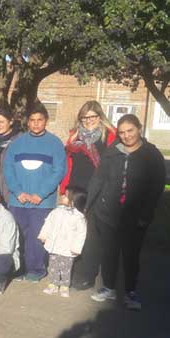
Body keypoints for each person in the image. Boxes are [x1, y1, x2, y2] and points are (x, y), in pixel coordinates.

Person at [86, 114, 165, 310]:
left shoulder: (151, 154)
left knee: (131, 255)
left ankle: (130, 291)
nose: (126, 136)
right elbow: (99, 178)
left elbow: (156, 187)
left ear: (139, 128)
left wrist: (146, 215)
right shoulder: (112, 152)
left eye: (130, 131)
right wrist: (91, 204)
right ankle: (108, 287)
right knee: (109, 253)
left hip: (135, 215)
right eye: (121, 132)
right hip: (108, 213)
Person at [3, 103, 66, 282]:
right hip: (18, 201)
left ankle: (36, 269)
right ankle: (18, 267)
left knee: (37, 236)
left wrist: (41, 194)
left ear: (46, 121)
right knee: (17, 234)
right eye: (32, 120)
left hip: (42, 202)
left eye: (40, 120)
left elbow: (59, 171)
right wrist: (17, 192)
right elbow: (8, 169)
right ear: (27, 122)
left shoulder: (54, 143)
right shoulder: (17, 143)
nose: (36, 124)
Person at [38, 187, 87, 298]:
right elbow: (48, 223)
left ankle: (65, 285)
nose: (61, 196)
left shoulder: (79, 217)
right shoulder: (56, 211)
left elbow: (81, 234)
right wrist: (43, 235)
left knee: (66, 268)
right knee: (53, 266)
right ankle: (53, 284)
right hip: (54, 245)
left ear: (72, 201)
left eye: (65, 195)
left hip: (68, 249)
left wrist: (77, 247)